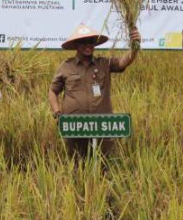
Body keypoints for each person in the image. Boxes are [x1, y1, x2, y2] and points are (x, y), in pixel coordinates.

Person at [48, 23, 141, 159]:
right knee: (76, 163)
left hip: (102, 126)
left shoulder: (104, 63)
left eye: (91, 42)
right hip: (75, 127)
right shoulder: (66, 67)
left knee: (105, 162)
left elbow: (124, 61)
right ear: (76, 45)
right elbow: (52, 91)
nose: (88, 45)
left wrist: (135, 45)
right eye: (83, 42)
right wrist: (57, 112)